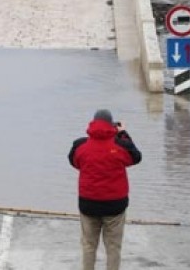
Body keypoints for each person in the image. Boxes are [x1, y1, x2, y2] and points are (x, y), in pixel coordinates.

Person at [68, 109, 142, 270]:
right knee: (113, 247)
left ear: (93, 123)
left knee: (88, 246)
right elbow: (136, 157)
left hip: (88, 204)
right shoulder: (121, 146)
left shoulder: (80, 145)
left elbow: (74, 162)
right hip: (115, 206)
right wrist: (123, 133)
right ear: (112, 125)